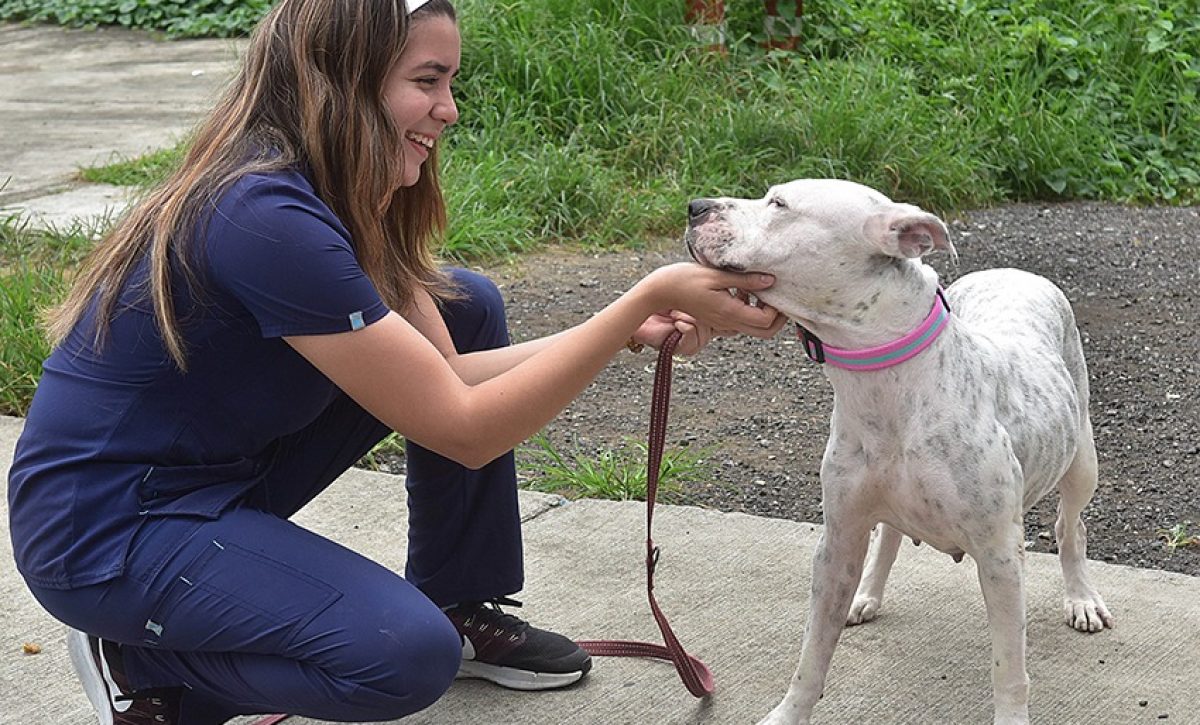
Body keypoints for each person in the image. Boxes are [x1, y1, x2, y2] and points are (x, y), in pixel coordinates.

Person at [6, 0, 785, 722]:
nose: (448, 109)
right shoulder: (263, 216)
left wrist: (624, 327)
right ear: (344, 78)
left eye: (450, 82)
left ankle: (459, 596)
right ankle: (144, 665)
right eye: (427, 81)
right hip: (106, 532)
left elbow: (445, 377)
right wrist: (641, 296)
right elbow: (466, 427)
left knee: (463, 303)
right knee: (400, 656)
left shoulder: (336, 189)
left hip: (206, 479)